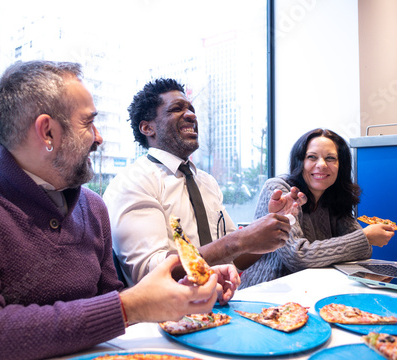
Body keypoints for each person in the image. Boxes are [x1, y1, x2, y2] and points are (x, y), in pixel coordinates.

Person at [0, 61, 240, 360]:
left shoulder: (92, 207)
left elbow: (114, 309)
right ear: (47, 133)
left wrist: (178, 292)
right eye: (89, 122)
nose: (99, 138)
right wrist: (129, 307)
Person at [103, 78, 306, 286]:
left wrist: (273, 226)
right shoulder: (133, 182)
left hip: (219, 304)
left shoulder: (206, 182)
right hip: (170, 314)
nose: (191, 115)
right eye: (176, 109)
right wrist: (240, 240)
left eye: (191, 109)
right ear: (147, 128)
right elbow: (151, 275)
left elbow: (235, 258)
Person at [239, 128, 395, 288]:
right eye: (312, 157)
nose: (321, 165)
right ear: (300, 162)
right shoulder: (279, 190)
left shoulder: (334, 196)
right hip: (268, 292)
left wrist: (362, 239)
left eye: (330, 158)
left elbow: (364, 251)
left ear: (341, 165)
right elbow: (298, 257)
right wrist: (365, 237)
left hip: (317, 288)